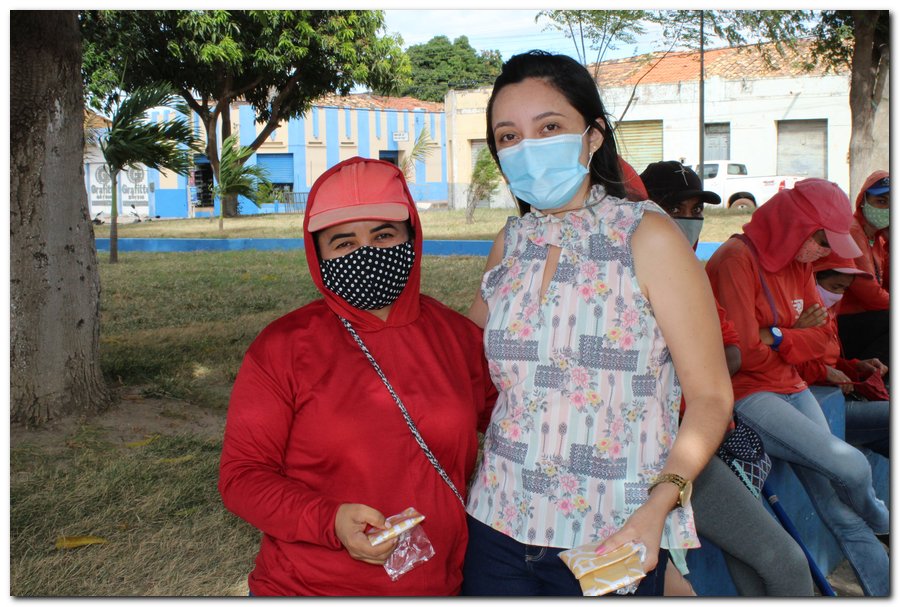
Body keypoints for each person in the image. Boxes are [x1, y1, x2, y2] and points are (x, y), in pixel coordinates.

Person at [463, 51, 734, 596]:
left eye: (549, 127)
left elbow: (711, 397)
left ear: (593, 136)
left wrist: (659, 507)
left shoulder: (648, 238)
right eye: (509, 136)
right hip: (495, 524)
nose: (528, 148)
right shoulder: (510, 244)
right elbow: (464, 370)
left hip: (612, 537)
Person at [218, 157, 497, 596]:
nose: (366, 254)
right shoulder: (282, 348)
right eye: (343, 242)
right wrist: (328, 521)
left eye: (383, 235)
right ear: (318, 254)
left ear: (411, 238)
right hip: (309, 588)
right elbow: (242, 477)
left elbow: (514, 426)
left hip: (438, 585)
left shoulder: (458, 338)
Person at [705, 178, 890, 596]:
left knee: (837, 508)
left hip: (792, 384)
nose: (825, 252)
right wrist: (794, 337)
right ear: (797, 226)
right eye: (823, 241)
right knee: (851, 466)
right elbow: (742, 355)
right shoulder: (735, 260)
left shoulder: (800, 262)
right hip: (750, 394)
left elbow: (823, 341)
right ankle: (884, 522)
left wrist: (776, 336)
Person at [641, 160, 814, 596]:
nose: (687, 220)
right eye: (674, 208)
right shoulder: (619, 279)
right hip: (656, 453)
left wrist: (683, 362)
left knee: (765, 566)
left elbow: (733, 353)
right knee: (784, 564)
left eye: (695, 210)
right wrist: (695, 360)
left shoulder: (692, 274)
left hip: (704, 442)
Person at [794, 252, 889, 458]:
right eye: (835, 287)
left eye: (844, 289)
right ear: (813, 279)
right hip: (818, 405)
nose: (839, 295)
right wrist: (825, 372)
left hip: (836, 398)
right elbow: (788, 363)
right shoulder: (800, 315)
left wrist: (855, 366)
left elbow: (830, 361)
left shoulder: (828, 312)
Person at [837, 171, 890, 368]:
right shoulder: (853, 232)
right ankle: (866, 376)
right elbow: (871, 296)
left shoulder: (877, 237)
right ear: (862, 201)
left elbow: (888, 284)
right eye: (881, 201)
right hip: (841, 322)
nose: (888, 209)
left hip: (864, 319)